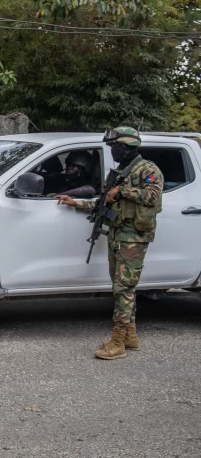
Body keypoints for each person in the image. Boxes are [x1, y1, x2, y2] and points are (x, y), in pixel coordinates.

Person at [57, 127, 163, 360]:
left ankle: (117, 343)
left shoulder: (148, 169)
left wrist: (122, 190)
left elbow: (153, 196)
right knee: (121, 287)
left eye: (115, 147)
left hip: (133, 238)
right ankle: (130, 336)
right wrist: (75, 203)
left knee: (123, 289)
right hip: (117, 234)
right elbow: (104, 201)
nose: (112, 151)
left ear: (126, 147)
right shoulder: (119, 172)